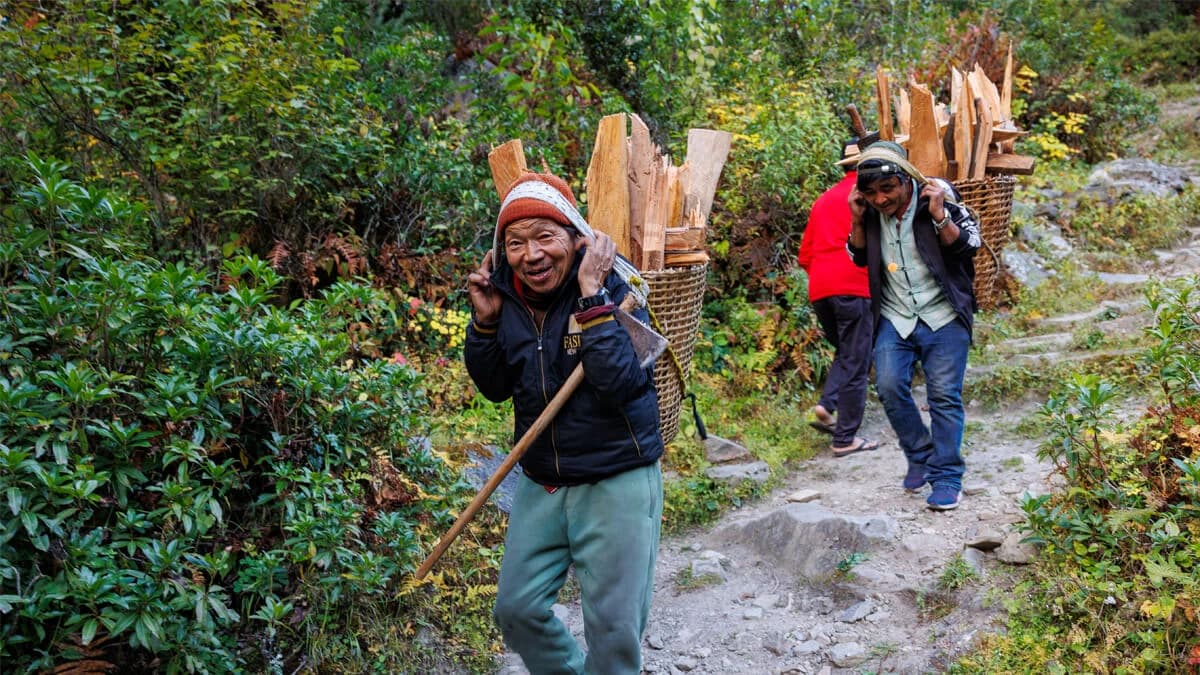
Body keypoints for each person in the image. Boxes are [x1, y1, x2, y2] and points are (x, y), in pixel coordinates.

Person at [464, 172, 664, 673]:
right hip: (543, 481)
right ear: (500, 249)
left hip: (616, 475)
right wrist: (485, 324)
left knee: (614, 632)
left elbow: (620, 383)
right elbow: (493, 388)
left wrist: (592, 296)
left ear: (576, 238)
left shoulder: (615, 286)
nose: (530, 255)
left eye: (544, 237)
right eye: (515, 242)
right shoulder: (505, 297)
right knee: (517, 609)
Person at [846, 141, 981, 511]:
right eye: (871, 193)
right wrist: (858, 219)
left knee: (943, 397)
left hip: (944, 316)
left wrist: (940, 216)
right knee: (889, 386)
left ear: (907, 180)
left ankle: (947, 477)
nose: (880, 199)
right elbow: (857, 256)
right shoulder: (869, 212)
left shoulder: (939, 199)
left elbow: (970, 245)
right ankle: (920, 453)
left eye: (887, 189)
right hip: (896, 316)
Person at [797, 139, 880, 458]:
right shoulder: (867, 198)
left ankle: (827, 405)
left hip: (820, 288)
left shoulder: (822, 201)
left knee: (848, 350)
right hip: (854, 285)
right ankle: (845, 438)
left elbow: (804, 255)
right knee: (858, 358)